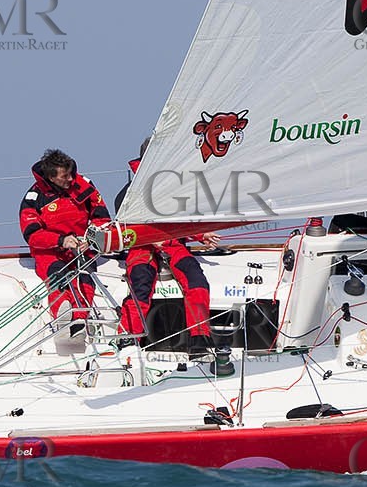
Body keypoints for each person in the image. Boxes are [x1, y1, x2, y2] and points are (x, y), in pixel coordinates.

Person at [115, 138, 222, 351]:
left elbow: (184, 217)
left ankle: (199, 339)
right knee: (140, 287)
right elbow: (122, 224)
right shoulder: (130, 192)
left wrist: (202, 234)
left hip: (172, 244)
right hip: (142, 246)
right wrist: (151, 238)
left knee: (197, 282)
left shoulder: (176, 185)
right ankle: (127, 338)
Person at [20, 148, 111, 337]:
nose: (70, 179)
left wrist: (91, 238)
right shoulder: (34, 198)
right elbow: (32, 235)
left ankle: (80, 320)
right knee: (58, 276)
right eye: (65, 176)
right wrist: (61, 241)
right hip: (50, 251)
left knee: (86, 278)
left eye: (71, 173)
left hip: (82, 247)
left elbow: (102, 217)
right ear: (51, 178)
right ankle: (62, 316)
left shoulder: (84, 185)